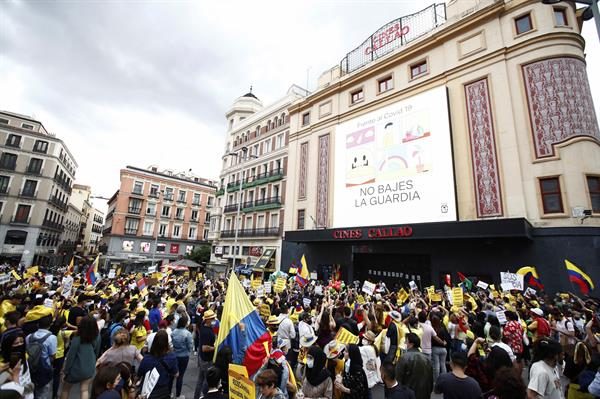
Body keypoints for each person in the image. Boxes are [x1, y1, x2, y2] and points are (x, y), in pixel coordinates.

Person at [60, 316, 101, 399]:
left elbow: (71, 356)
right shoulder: (97, 336)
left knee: (65, 389)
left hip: (75, 368)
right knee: (84, 390)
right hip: (89, 367)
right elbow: (97, 351)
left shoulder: (78, 338)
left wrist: (65, 371)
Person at [137, 330, 178, 399]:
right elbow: (176, 374)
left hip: (147, 392)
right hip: (163, 391)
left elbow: (139, 374)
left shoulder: (146, 359)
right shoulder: (171, 357)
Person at [25, 310, 56, 399]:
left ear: (38, 325)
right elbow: (53, 355)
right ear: (50, 325)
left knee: (31, 390)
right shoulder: (52, 338)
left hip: (30, 367)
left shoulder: (29, 336)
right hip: (44, 367)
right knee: (43, 392)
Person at [395, 333, 433, 399]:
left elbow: (398, 377)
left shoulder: (404, 358)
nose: (405, 343)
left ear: (411, 344)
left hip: (408, 393)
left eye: (406, 341)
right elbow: (431, 378)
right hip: (424, 393)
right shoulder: (427, 358)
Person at [194, 309, 216, 399]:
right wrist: (215, 348)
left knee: (200, 379)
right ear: (207, 320)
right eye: (212, 318)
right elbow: (204, 348)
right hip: (207, 360)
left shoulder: (203, 326)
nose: (214, 319)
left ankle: (196, 396)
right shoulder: (207, 332)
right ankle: (205, 395)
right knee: (207, 381)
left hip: (202, 358)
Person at [171, 316, 193, 399]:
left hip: (175, 355)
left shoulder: (174, 332)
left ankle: (169, 393)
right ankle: (178, 395)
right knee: (180, 375)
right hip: (184, 356)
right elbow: (190, 346)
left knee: (172, 374)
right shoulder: (187, 333)